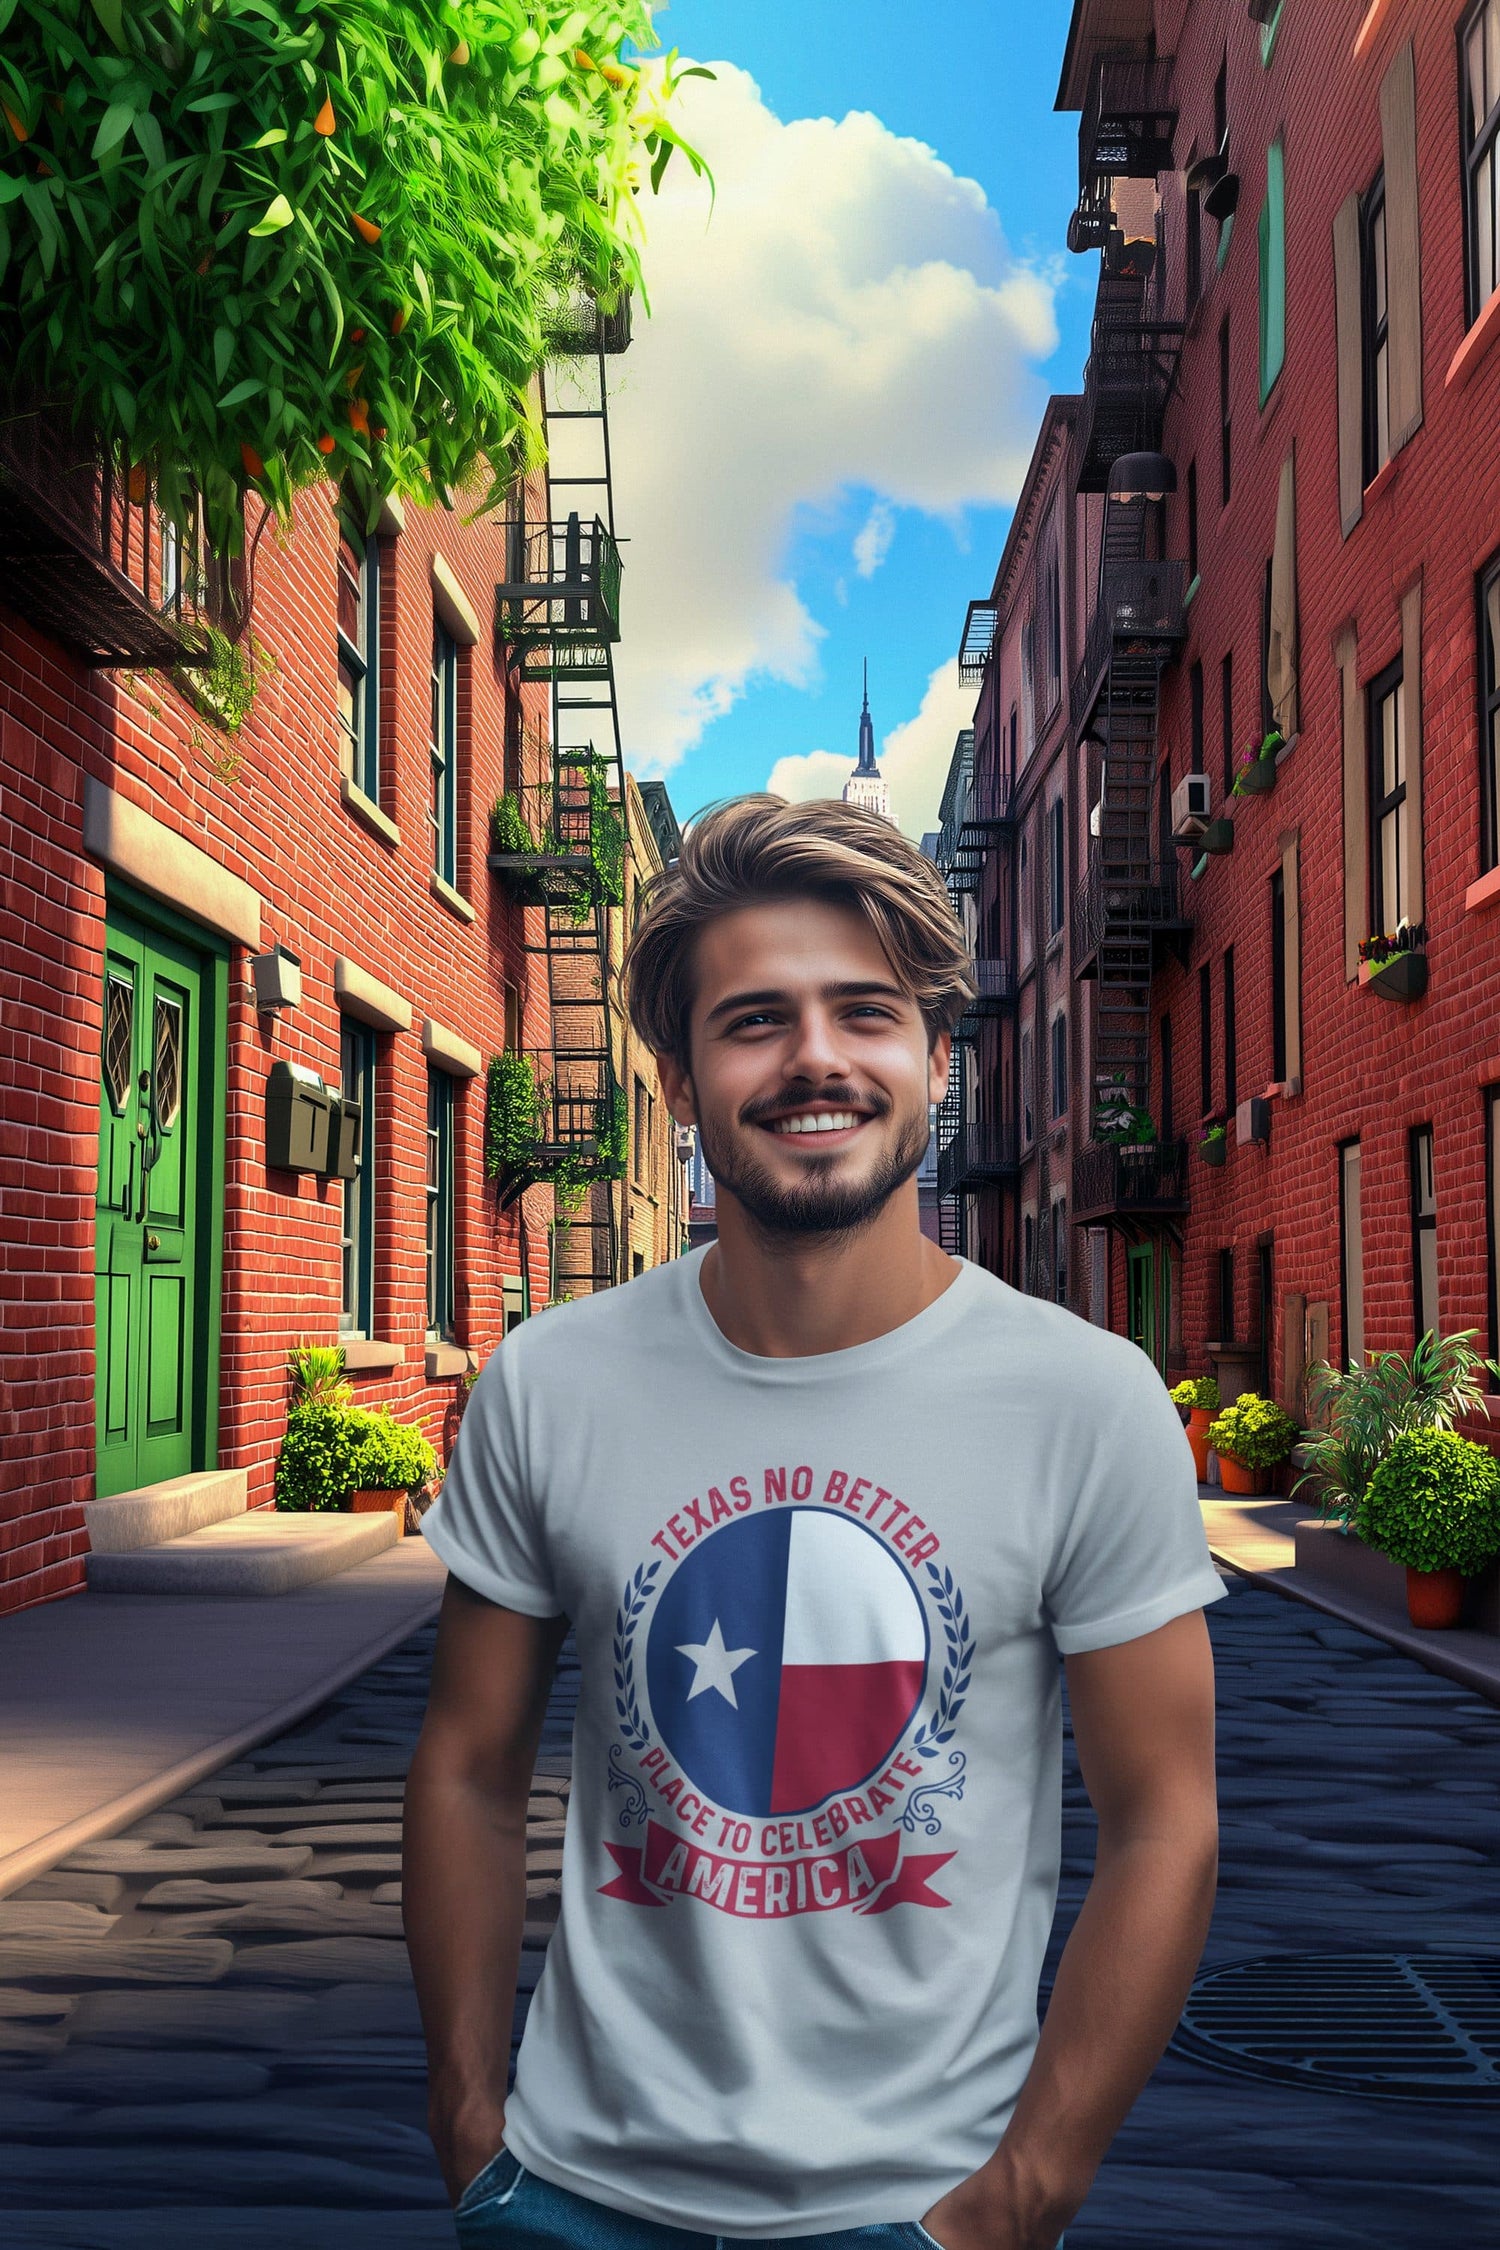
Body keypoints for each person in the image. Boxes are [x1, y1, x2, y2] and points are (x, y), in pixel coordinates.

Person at [405, 795, 1222, 2250]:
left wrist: (1028, 2188)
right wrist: (474, 2126)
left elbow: (1164, 1817)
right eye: (755, 1019)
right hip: (568, 2194)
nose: (817, 1059)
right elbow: (468, 1763)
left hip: (918, 2213)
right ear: (679, 1074)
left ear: (936, 1058)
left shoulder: (1086, 1401)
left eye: (865, 1011)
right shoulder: (549, 1379)